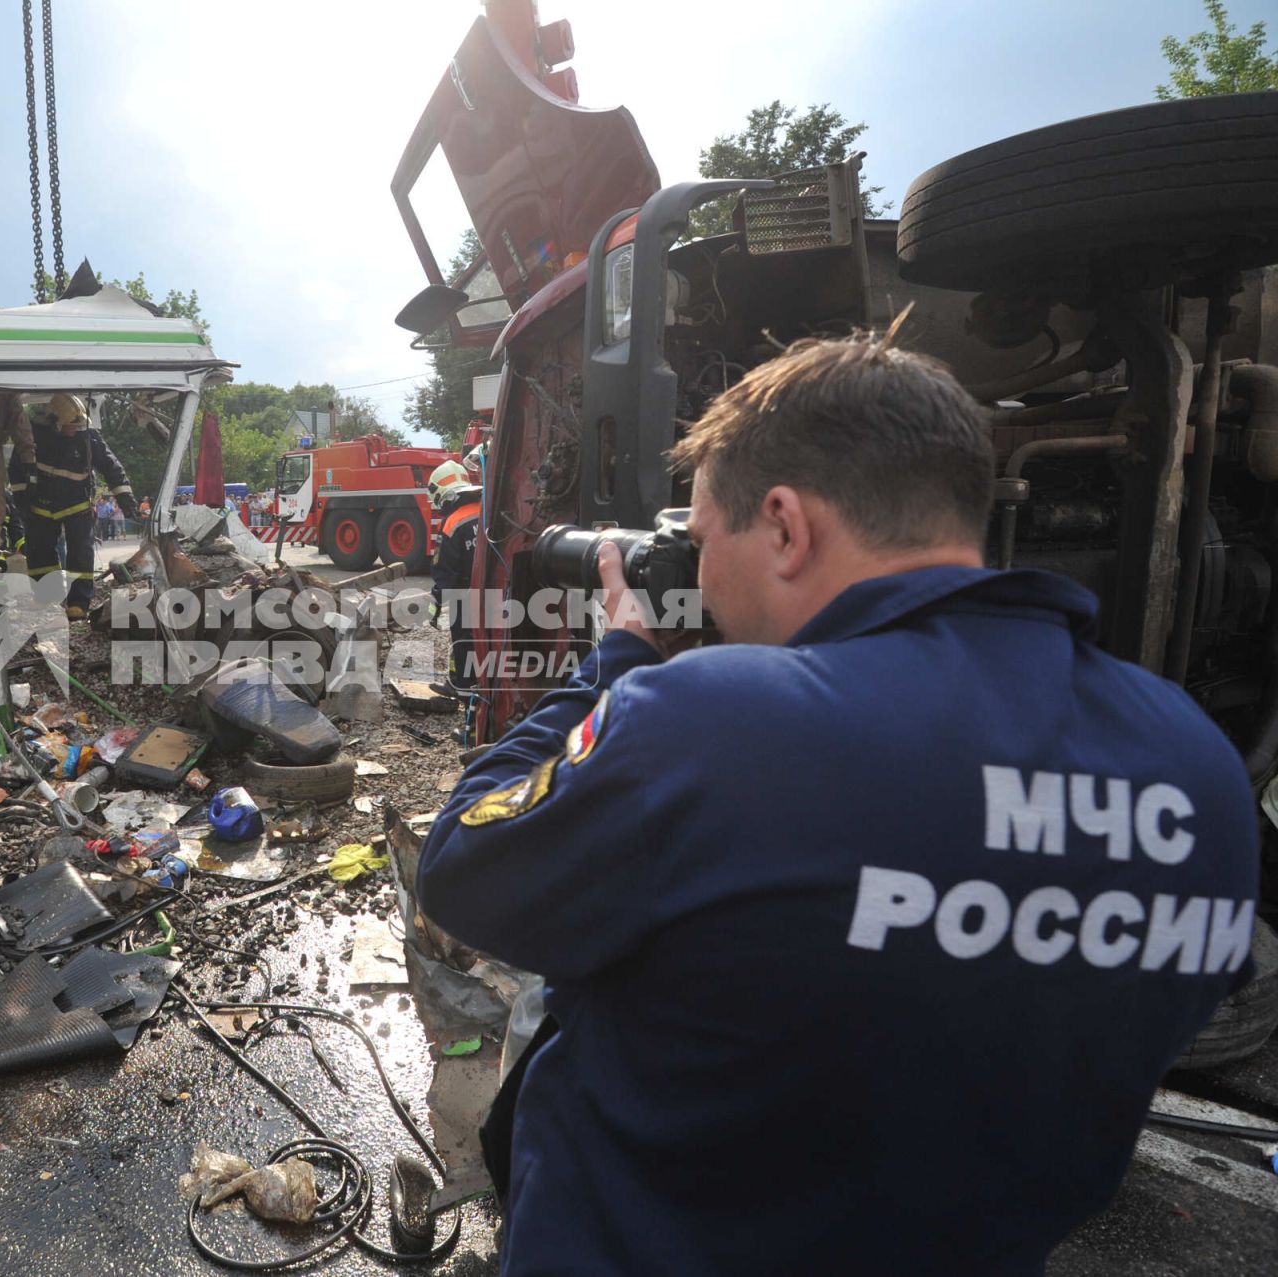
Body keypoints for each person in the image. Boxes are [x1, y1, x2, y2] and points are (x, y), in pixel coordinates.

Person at [416, 330, 1260, 1276]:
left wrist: (611, 669)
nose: (699, 576)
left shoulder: (706, 727)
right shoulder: (1199, 769)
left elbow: (461, 866)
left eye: (700, 541)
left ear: (783, 525)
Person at [7, 393, 137, 620]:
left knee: (81, 551)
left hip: (77, 502)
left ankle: (78, 603)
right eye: (70, 426)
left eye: (78, 425)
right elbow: (17, 467)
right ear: (54, 422)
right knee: (39, 552)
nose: (75, 429)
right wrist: (22, 501)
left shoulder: (87, 435)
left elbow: (110, 464)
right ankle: (47, 597)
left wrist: (125, 497)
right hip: (41, 504)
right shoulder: (34, 435)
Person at [426, 459, 482, 693]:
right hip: (499, 590)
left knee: (463, 640)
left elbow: (445, 571)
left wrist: (436, 606)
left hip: (465, 593)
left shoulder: (453, 522)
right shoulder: (487, 510)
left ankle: (463, 687)